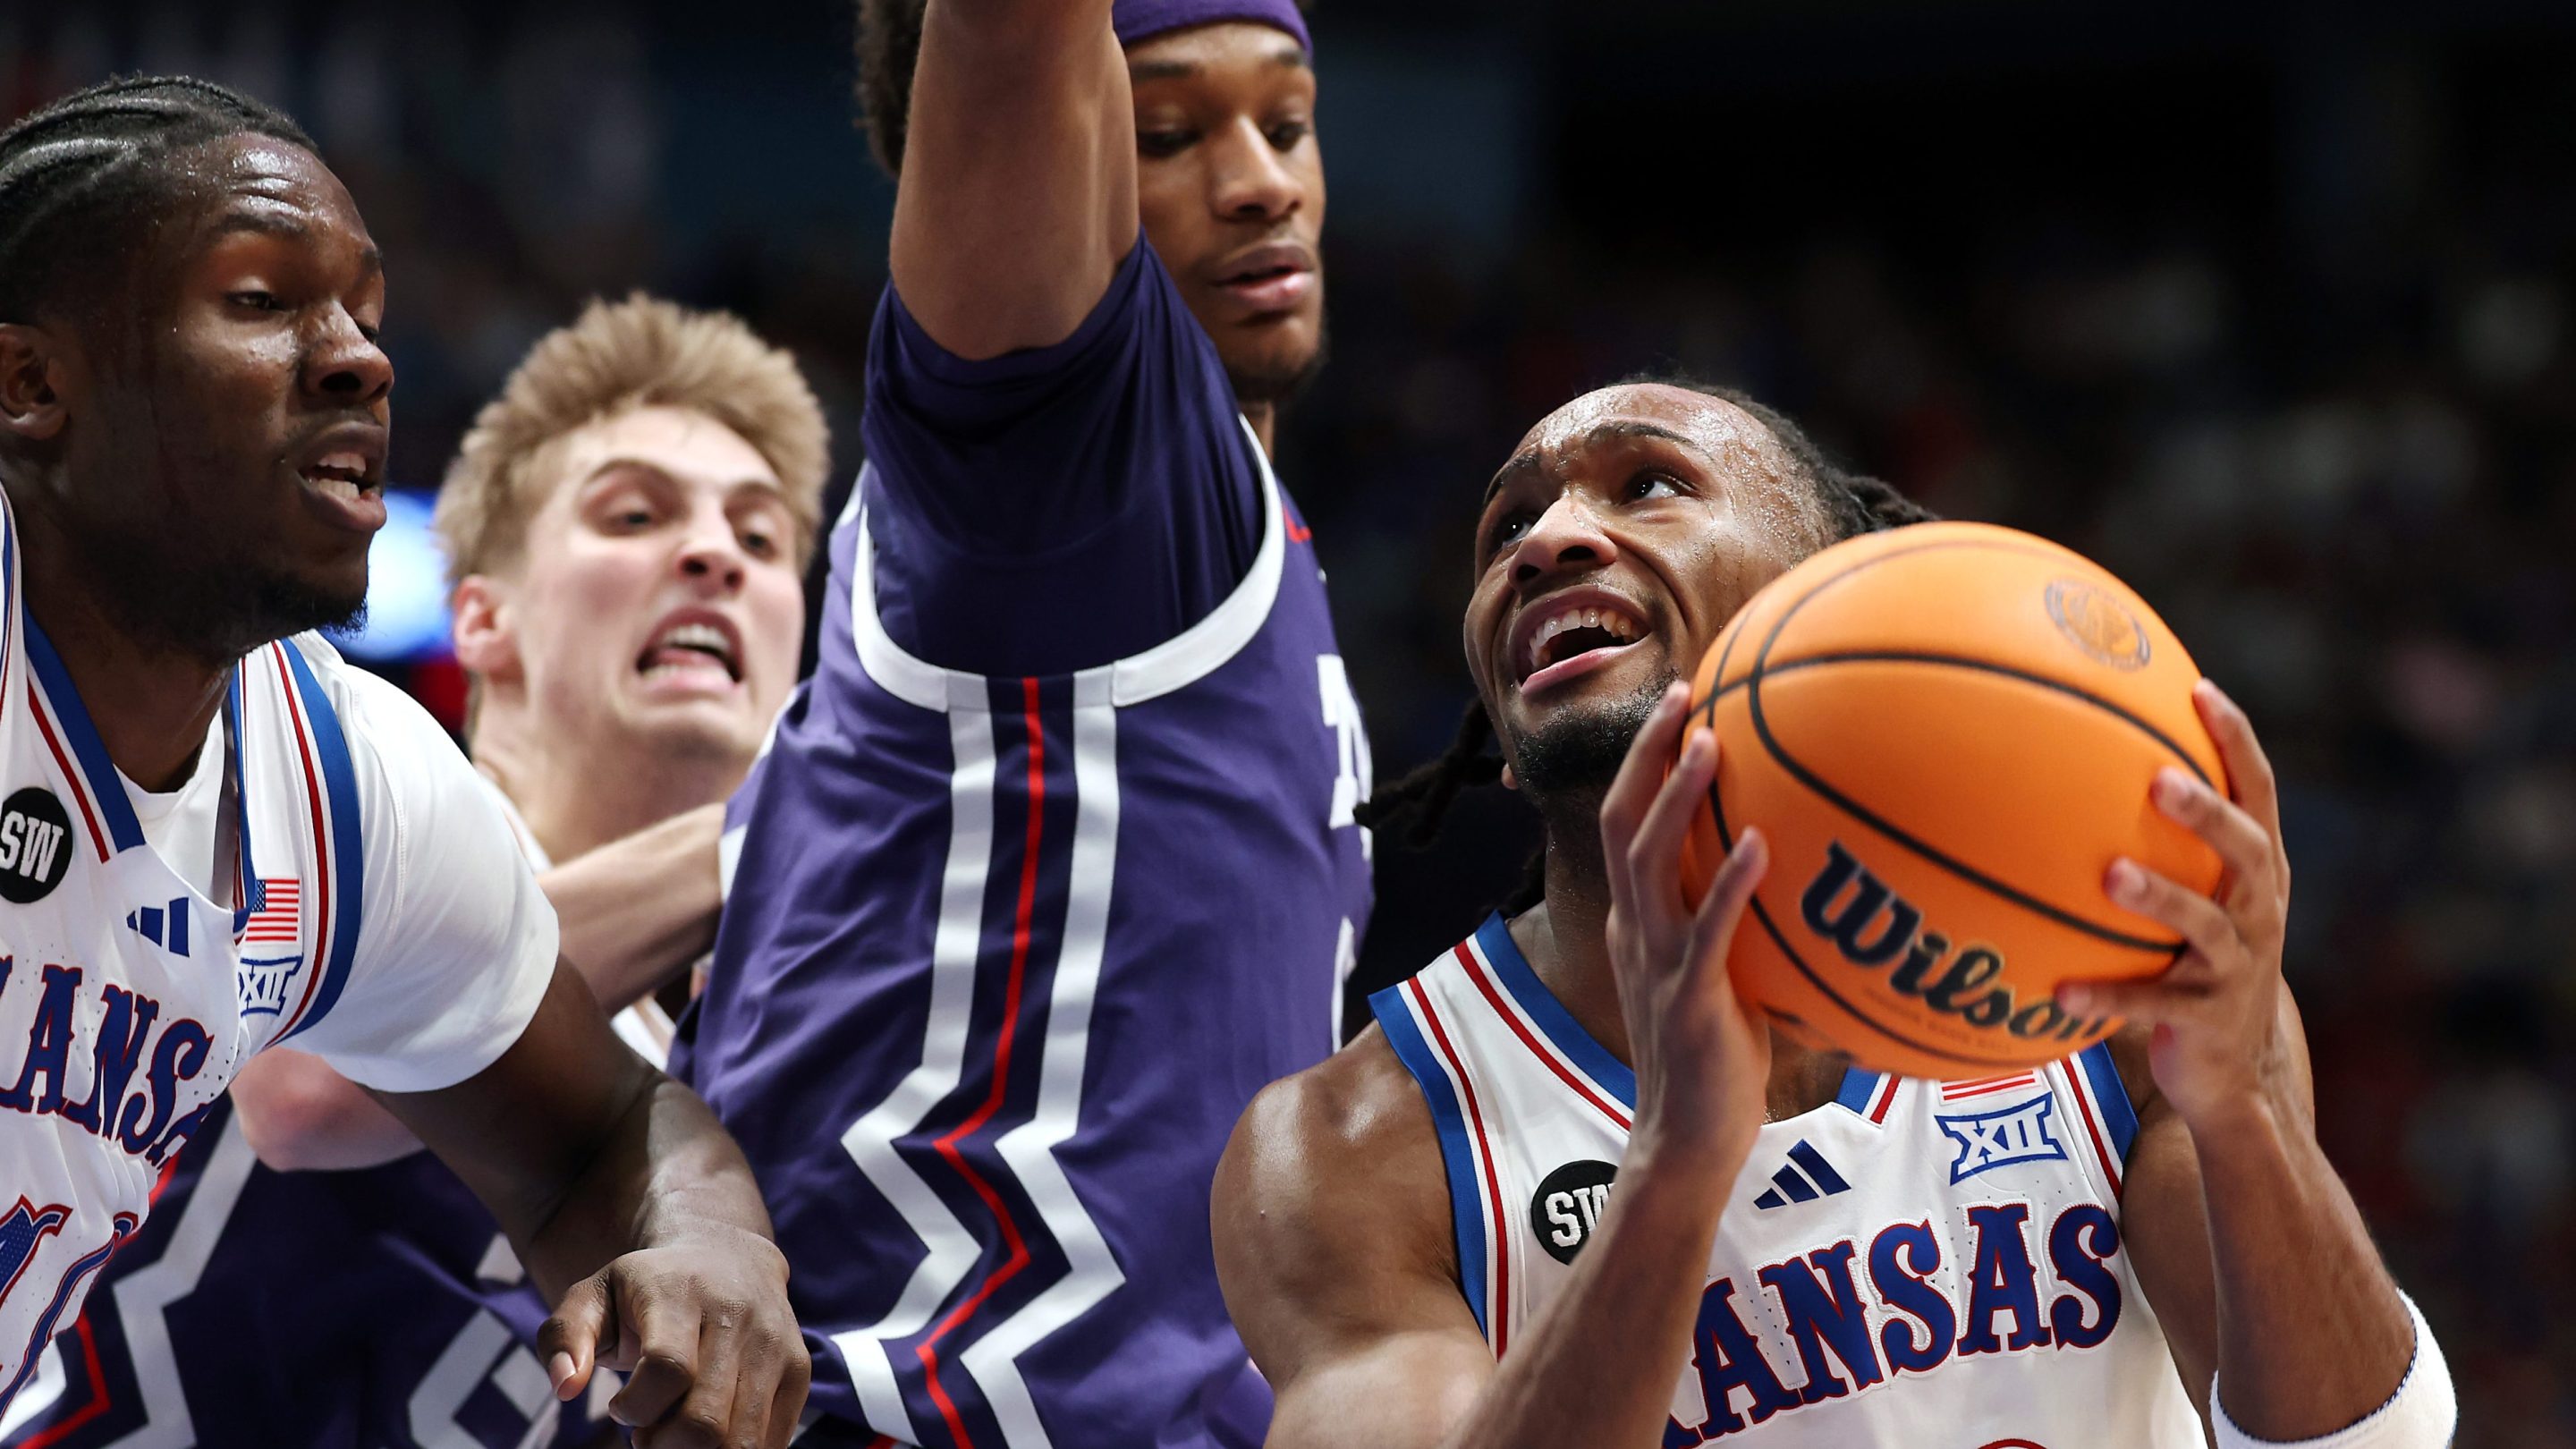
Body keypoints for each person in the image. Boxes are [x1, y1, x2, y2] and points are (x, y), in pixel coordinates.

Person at [1212, 380, 2458, 1447]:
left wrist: (2245, 1121)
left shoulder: (2105, 983)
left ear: (1842, 595)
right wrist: (1675, 1169)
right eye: (1508, 528)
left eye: (1647, 484)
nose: (1546, 541)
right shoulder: (1356, 1152)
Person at [0, 78, 809, 1445]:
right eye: (261, 301)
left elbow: (599, 1139)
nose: (360, 360)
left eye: (367, 319)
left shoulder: (346, 793)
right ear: (30, 385)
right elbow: (305, 1101)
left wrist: (721, 1248)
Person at [675, 1, 1371, 1444]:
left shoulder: (1203, 538)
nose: (1262, 181)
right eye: (1170, 134)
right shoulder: (1076, 467)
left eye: (1288, 123)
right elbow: (1007, 46)